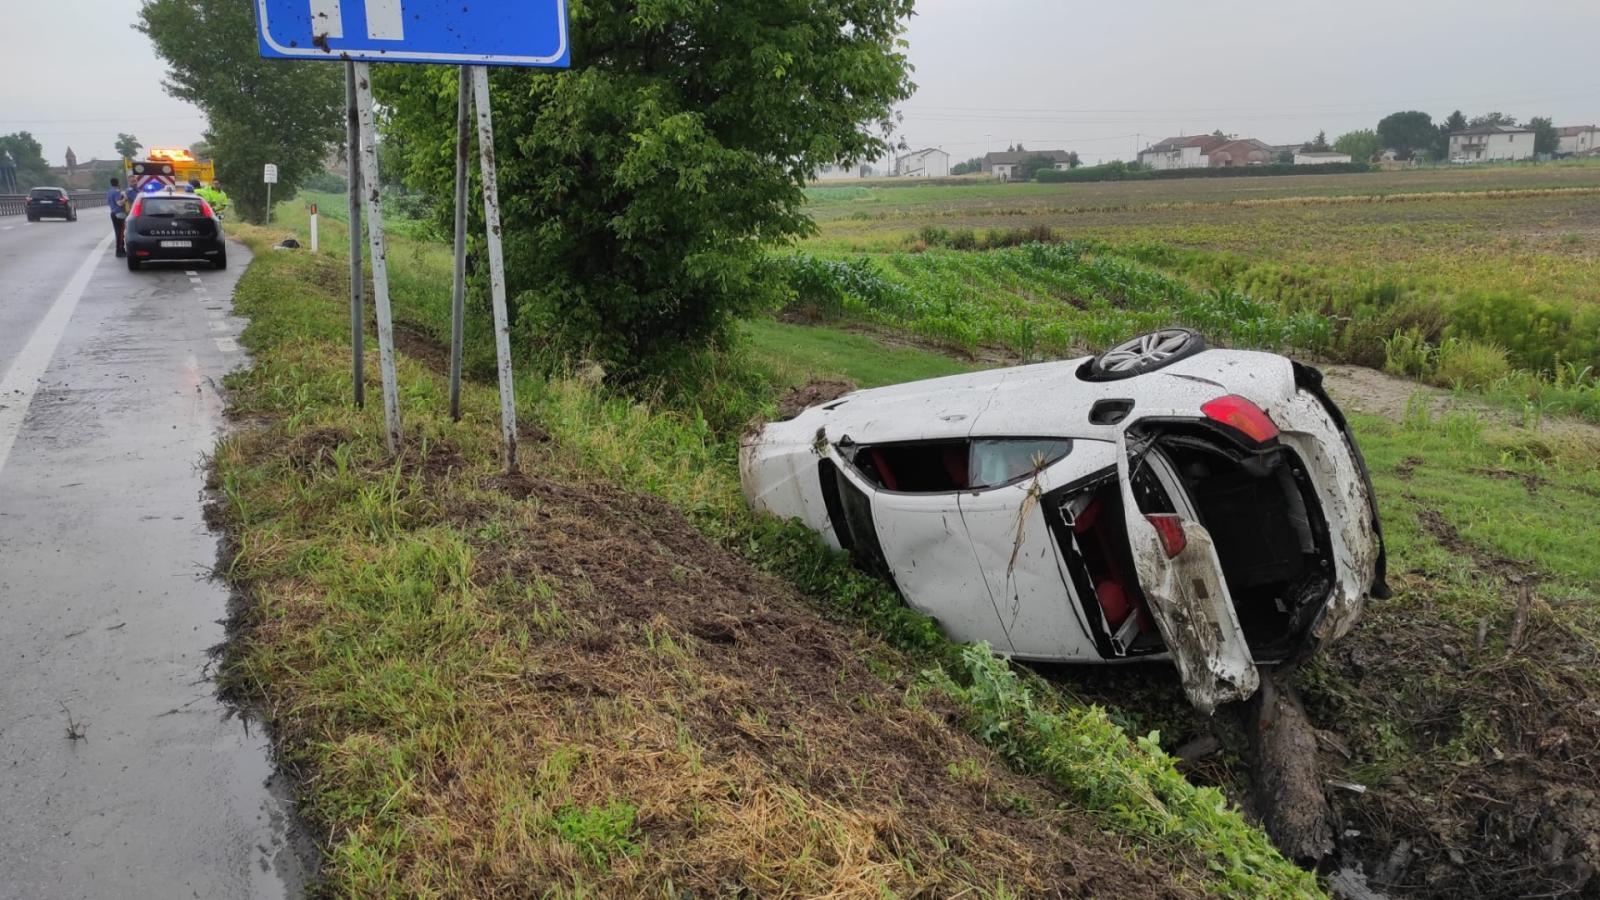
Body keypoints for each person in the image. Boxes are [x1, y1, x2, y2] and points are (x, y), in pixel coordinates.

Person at [107, 177, 130, 257]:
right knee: (120, 233)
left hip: (113, 213)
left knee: (118, 232)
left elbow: (109, 203)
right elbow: (119, 203)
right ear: (118, 183)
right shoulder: (117, 192)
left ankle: (120, 249)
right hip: (119, 213)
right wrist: (125, 199)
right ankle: (119, 250)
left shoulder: (109, 192)